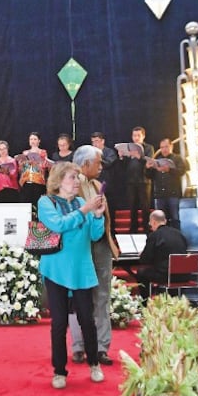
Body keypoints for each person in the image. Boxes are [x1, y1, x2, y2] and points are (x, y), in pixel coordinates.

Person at [37, 161, 107, 389]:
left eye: (77, 177)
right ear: (58, 181)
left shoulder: (80, 203)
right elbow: (57, 225)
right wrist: (85, 210)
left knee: (87, 319)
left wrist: (97, 216)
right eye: (72, 178)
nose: (77, 182)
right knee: (58, 322)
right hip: (55, 269)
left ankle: (94, 363)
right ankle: (59, 371)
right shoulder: (46, 202)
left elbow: (95, 236)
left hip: (81, 269)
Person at [68, 145, 123, 366]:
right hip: (80, 246)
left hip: (101, 245)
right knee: (78, 297)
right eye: (98, 163)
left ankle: (101, 347)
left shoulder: (98, 184)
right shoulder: (69, 184)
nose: (101, 167)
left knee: (102, 296)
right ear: (85, 164)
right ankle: (79, 346)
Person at [132, 210, 188, 298]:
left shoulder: (154, 236)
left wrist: (143, 254)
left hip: (165, 276)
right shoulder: (179, 234)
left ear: (153, 222)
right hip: (184, 275)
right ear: (165, 221)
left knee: (141, 272)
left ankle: (145, 303)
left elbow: (145, 260)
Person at [117, 127, 154, 233]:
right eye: (134, 135)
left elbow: (149, 161)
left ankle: (146, 227)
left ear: (143, 136)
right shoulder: (129, 147)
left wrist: (139, 156)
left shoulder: (148, 148)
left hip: (144, 180)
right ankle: (133, 228)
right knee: (132, 206)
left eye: (138, 135)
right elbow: (123, 167)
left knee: (145, 206)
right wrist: (121, 157)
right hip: (131, 181)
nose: (136, 138)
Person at [147, 138, 189, 230]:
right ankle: (162, 239)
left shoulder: (177, 158)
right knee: (160, 219)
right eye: (162, 147)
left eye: (166, 147)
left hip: (173, 194)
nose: (164, 149)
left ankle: (176, 239)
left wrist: (169, 170)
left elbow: (181, 171)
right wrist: (148, 168)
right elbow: (150, 176)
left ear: (171, 146)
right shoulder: (157, 160)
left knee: (175, 218)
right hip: (159, 195)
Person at [90, 132, 120, 217]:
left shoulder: (109, 152)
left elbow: (108, 163)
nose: (95, 144)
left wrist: (98, 158)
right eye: (93, 142)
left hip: (107, 185)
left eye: (97, 141)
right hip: (95, 184)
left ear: (102, 141)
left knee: (110, 209)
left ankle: (111, 229)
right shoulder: (90, 153)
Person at [16, 132, 50, 206]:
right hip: (26, 180)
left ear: (39, 141)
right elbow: (22, 169)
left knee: (38, 203)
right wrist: (22, 164)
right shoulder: (25, 153)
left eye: (35, 139)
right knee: (26, 204)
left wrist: (37, 163)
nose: (33, 141)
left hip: (38, 181)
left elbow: (45, 166)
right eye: (31, 139)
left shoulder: (42, 152)